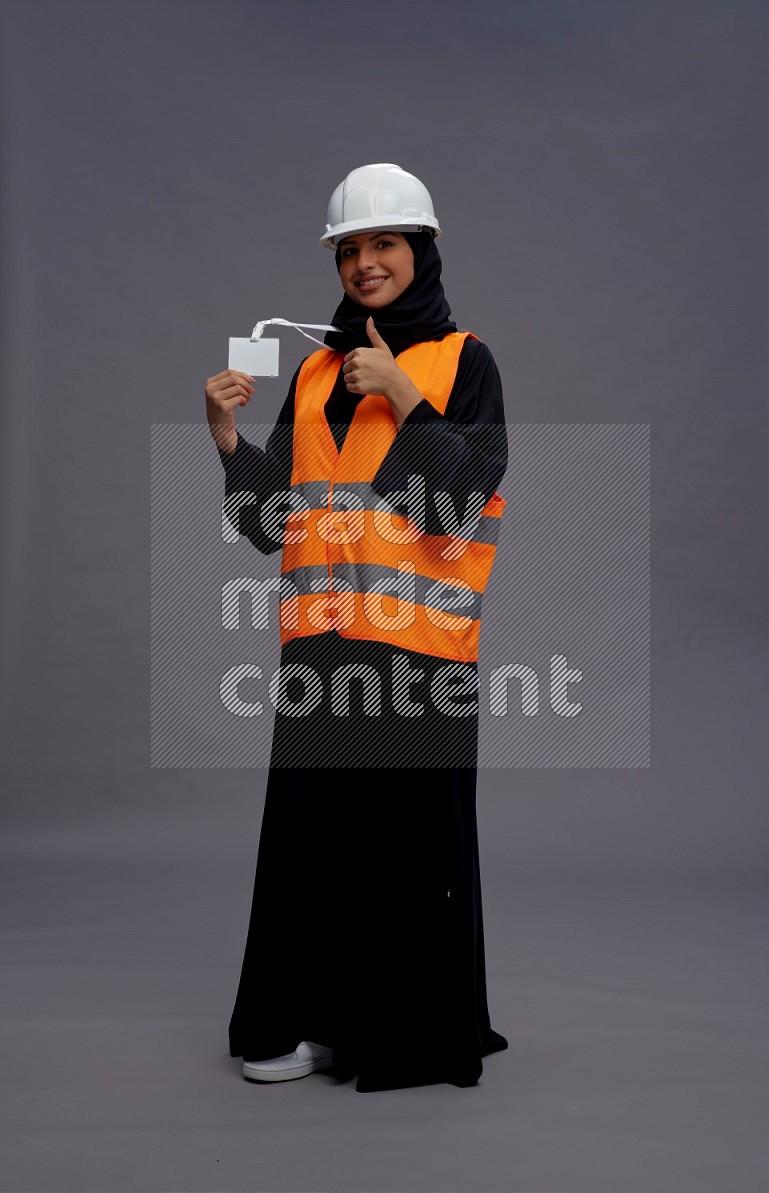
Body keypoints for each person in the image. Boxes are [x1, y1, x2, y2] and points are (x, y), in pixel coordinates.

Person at [205, 163, 509, 1093]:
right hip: (321, 651)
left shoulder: (465, 360)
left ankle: (400, 1036)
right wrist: (226, 441)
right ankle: (310, 1023)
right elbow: (272, 524)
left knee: (404, 853)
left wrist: (407, 398)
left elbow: (461, 501)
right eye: (350, 249)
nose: (365, 263)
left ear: (422, 250)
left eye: (384, 244)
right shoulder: (313, 371)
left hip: (421, 656)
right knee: (317, 847)